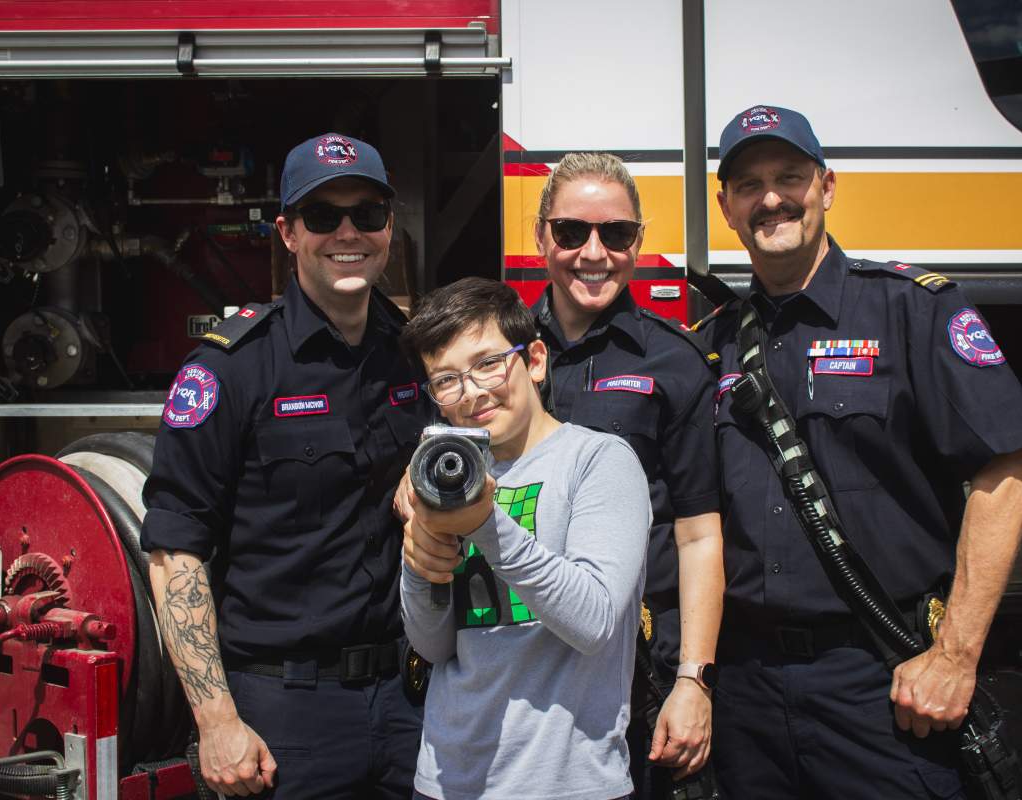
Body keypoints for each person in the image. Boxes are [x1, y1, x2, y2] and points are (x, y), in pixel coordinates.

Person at [700, 105, 1022, 799]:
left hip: (883, 681)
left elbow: (1006, 477)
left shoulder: (913, 310)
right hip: (744, 694)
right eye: (749, 185)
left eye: (790, 177)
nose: (771, 198)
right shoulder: (709, 344)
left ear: (827, 186)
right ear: (727, 209)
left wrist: (954, 657)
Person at [141, 133, 428, 799]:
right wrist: (216, 721)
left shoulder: (415, 354)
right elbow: (173, 551)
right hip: (285, 711)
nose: (348, 232)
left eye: (368, 214)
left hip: (412, 700)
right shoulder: (231, 368)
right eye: (323, 217)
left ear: (390, 226)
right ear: (288, 232)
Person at [397, 277, 651, 800]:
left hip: (569, 781)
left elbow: (593, 620)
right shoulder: (446, 475)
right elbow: (433, 644)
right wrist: (419, 567)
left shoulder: (599, 461)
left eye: (489, 362)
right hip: (446, 778)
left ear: (535, 360)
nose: (472, 392)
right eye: (446, 380)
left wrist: (484, 525)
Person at [530, 153, 724, 793]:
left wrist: (694, 680)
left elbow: (698, 535)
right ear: (541, 237)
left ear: (638, 242)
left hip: (642, 661)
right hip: (521, 658)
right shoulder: (498, 349)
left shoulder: (677, 360)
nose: (593, 253)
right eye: (571, 232)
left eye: (615, 234)